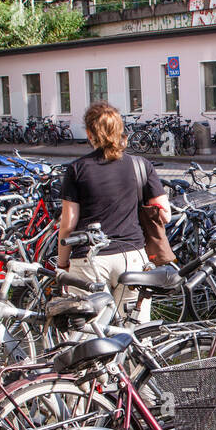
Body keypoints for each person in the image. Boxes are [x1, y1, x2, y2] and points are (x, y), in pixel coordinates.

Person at [57, 100, 171, 324]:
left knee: (90, 334)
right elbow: (164, 214)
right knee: (134, 329)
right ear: (120, 131)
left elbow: (68, 223)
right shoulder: (140, 165)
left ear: (90, 133)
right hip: (131, 256)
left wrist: (62, 265)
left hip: (90, 260)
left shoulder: (77, 169)